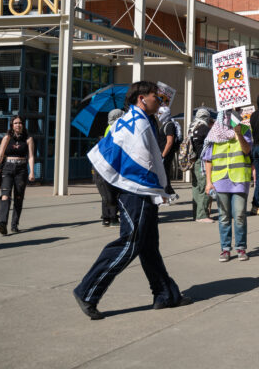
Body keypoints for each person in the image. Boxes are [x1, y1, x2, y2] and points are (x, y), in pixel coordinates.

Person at [74, 81, 191, 320]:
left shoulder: (138, 119)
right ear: (141, 99)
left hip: (140, 191)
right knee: (129, 244)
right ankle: (88, 292)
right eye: (155, 97)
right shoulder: (137, 124)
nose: (159, 101)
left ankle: (165, 294)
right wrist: (156, 188)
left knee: (148, 246)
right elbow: (142, 162)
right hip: (135, 192)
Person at [203, 111, 253, 262]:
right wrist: (208, 182)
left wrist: (238, 134)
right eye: (227, 113)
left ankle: (241, 247)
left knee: (239, 215)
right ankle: (225, 249)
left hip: (239, 179)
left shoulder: (245, 130)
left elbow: (247, 150)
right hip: (220, 179)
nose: (230, 116)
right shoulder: (215, 131)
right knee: (224, 217)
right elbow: (208, 159)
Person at [0, 115, 35, 236]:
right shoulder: (7, 138)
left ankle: (14, 224)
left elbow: (31, 156)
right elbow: (0, 155)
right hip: (7, 169)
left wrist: (32, 171)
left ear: (23, 124)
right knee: (5, 195)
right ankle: (2, 224)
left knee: (18, 197)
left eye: (20, 123)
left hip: (21, 169)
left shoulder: (28, 139)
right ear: (12, 125)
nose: (18, 125)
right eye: (15, 123)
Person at [94, 108, 123, 227]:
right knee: (112, 192)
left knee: (106, 193)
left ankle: (106, 217)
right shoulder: (115, 128)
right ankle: (112, 217)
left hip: (104, 165)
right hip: (110, 165)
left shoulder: (109, 128)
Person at [189, 108, 213, 222]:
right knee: (204, 187)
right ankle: (202, 215)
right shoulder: (205, 129)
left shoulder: (192, 127)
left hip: (193, 161)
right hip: (203, 162)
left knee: (196, 187)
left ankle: (196, 213)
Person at [157, 106, 180, 200]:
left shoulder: (169, 125)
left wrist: (163, 155)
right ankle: (170, 194)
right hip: (163, 154)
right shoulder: (165, 124)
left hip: (166, 155)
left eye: (160, 113)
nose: (158, 115)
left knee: (163, 176)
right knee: (164, 175)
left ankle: (166, 196)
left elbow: (169, 142)